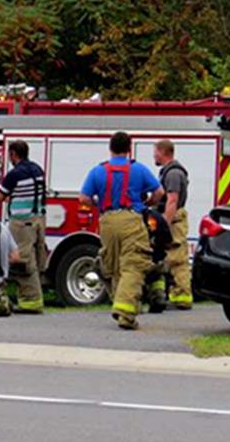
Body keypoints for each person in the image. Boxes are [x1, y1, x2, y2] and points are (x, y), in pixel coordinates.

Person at [78, 132, 164, 330]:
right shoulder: (138, 169)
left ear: (110, 148)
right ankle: (125, 312)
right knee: (133, 265)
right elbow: (159, 192)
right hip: (131, 219)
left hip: (107, 221)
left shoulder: (97, 171)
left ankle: (120, 303)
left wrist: (98, 204)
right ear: (129, 148)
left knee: (113, 265)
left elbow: (83, 198)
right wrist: (147, 203)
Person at [0, 139, 47, 313]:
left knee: (22, 261)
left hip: (22, 222)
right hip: (38, 219)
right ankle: (35, 296)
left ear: (13, 154)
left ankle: (30, 301)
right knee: (37, 258)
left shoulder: (15, 174)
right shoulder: (37, 169)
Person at [154, 138, 193, 310]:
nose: (154, 155)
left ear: (163, 152)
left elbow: (172, 200)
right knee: (163, 257)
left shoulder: (173, 174)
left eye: (155, 151)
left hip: (173, 219)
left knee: (177, 258)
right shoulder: (169, 172)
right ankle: (170, 294)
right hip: (172, 218)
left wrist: (163, 223)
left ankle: (182, 296)